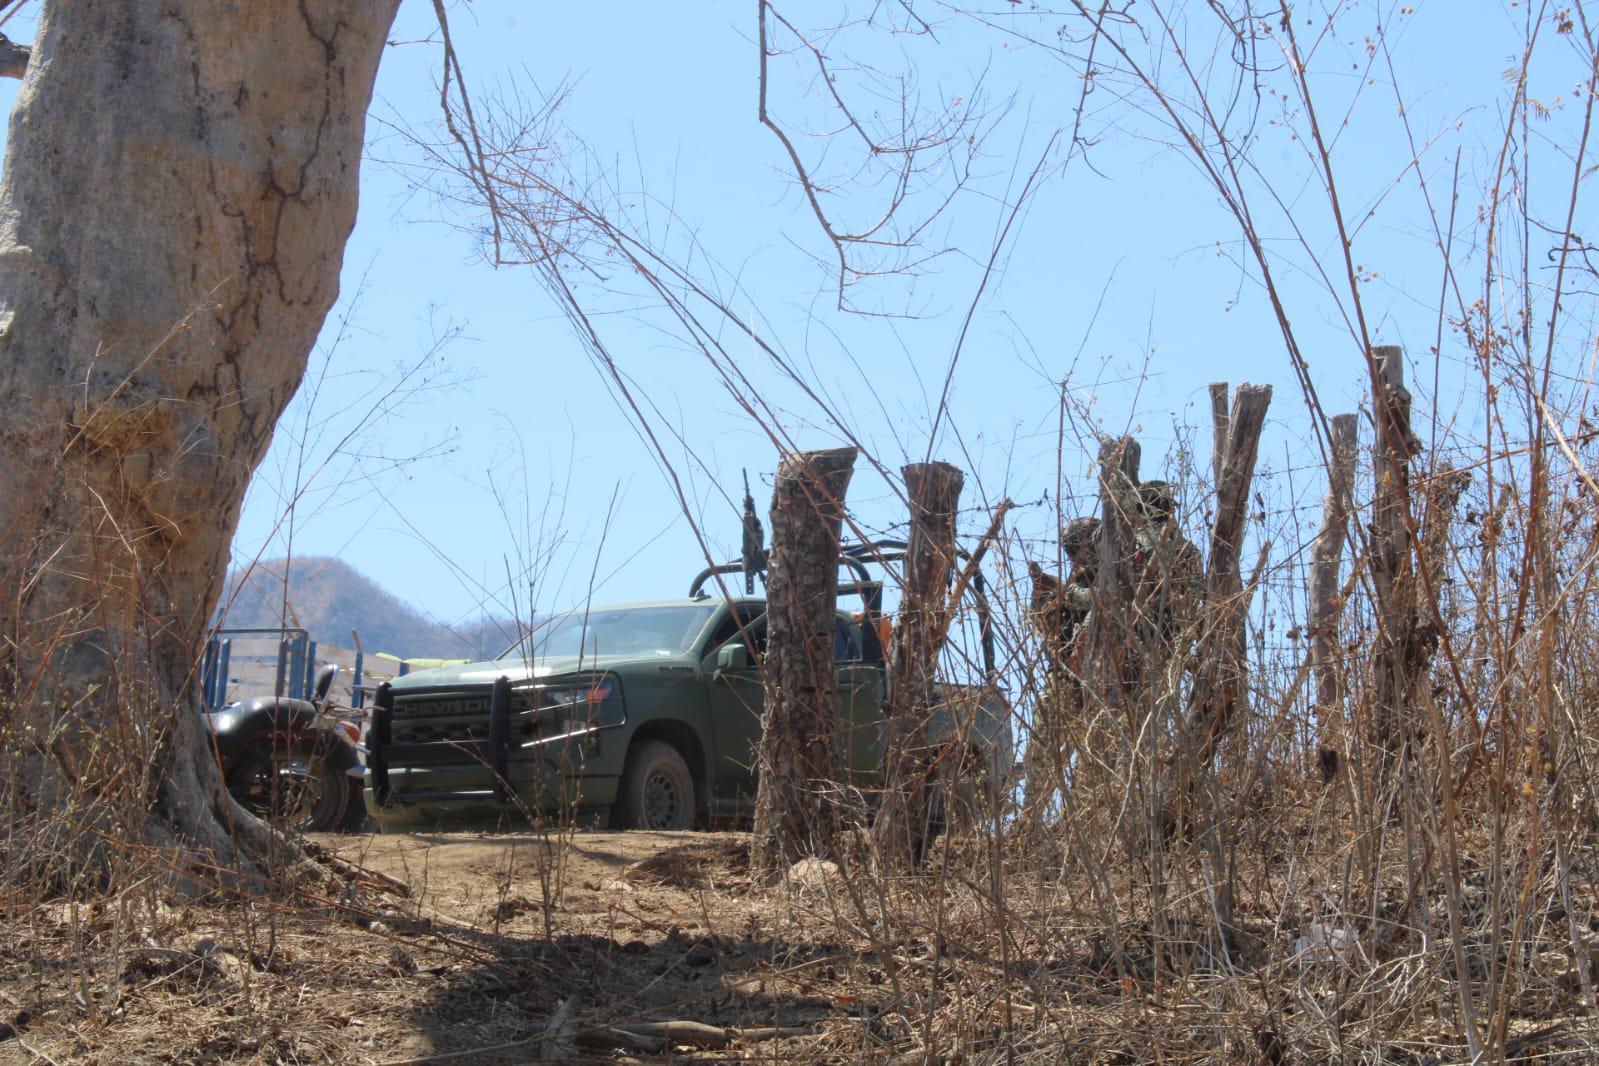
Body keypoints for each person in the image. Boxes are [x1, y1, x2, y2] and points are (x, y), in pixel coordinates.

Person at [1025, 516, 1100, 806]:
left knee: (1093, 766)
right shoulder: (1073, 583)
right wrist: (1041, 600)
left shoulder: (1113, 579)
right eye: (1070, 550)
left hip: (1099, 686)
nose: (1074, 557)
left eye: (1077, 548)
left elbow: (1100, 602)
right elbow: (1050, 631)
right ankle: (1032, 822)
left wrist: (1058, 589)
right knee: (1039, 756)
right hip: (1064, 682)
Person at [1129, 480, 1203, 680]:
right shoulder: (1189, 549)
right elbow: (1198, 595)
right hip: (1179, 635)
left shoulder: (1139, 542)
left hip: (1143, 636)